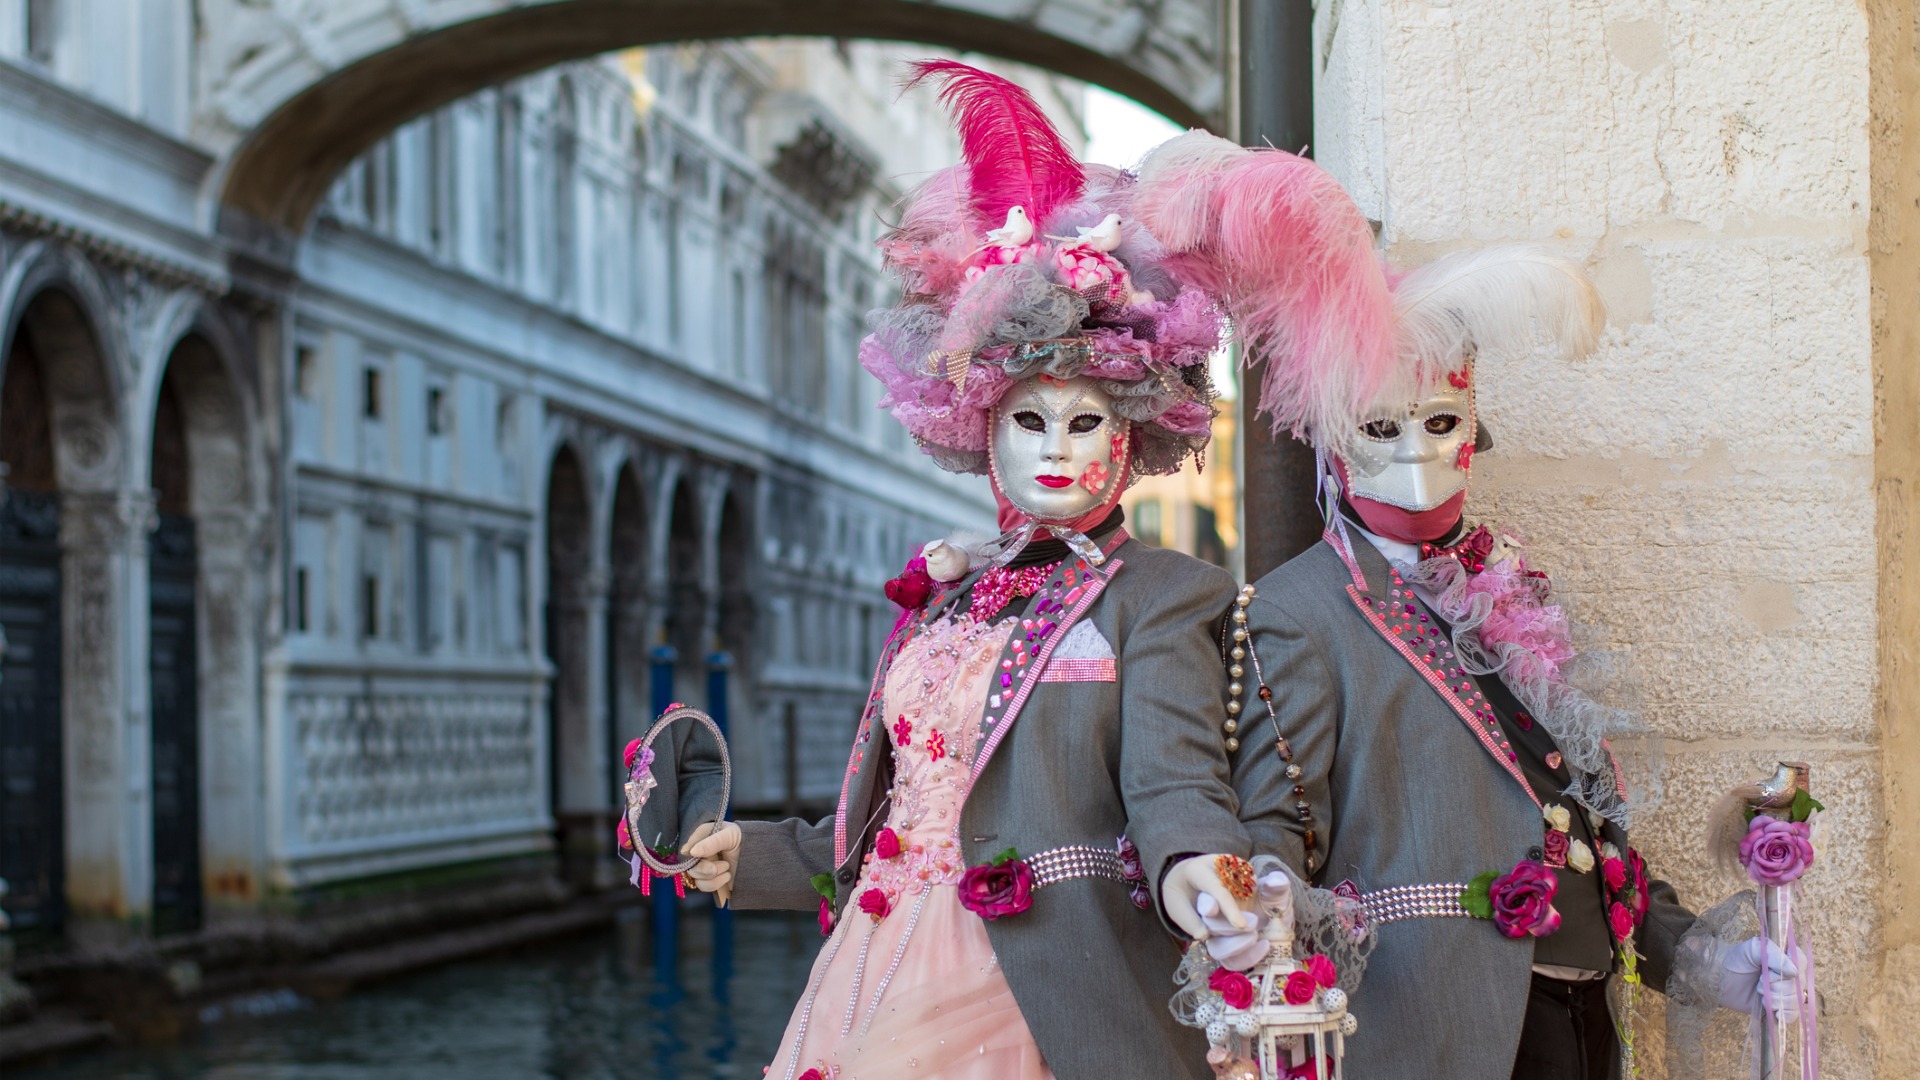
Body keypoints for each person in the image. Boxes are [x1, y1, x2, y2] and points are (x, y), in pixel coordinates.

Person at [1134, 133, 1802, 1079]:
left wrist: (1703, 960)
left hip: (1581, 1017)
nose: (1415, 454)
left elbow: (1584, 827)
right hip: (1429, 1031)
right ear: (1334, 441)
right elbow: (1280, 828)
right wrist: (1260, 905)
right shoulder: (1299, 611)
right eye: (1379, 426)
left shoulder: (1514, 591)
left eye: (1440, 421)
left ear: (1471, 428)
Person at [680, 64, 1256, 1080]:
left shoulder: (1165, 597)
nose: (1055, 450)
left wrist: (1203, 880)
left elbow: (1174, 787)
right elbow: (904, 811)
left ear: (1130, 433)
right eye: (1027, 422)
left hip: (1034, 983)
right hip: (874, 960)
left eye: (1085, 422)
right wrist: (757, 857)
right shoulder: (946, 595)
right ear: (980, 432)